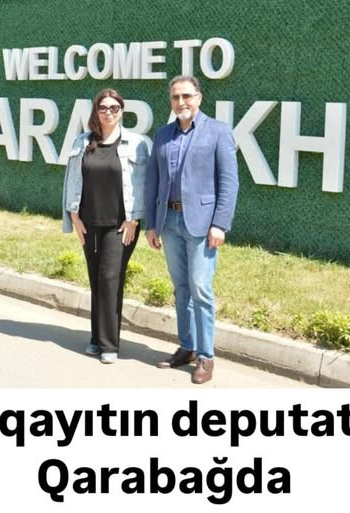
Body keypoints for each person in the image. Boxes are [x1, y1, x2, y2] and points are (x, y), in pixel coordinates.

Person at [145, 76, 239, 384]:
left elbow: (229, 183)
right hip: (169, 222)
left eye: (186, 96)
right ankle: (187, 346)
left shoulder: (218, 131)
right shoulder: (163, 134)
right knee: (181, 288)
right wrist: (152, 224)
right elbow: (153, 181)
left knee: (200, 288)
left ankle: (205, 356)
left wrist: (220, 224)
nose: (181, 102)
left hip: (201, 224)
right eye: (175, 97)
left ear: (199, 97)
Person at [62, 89, 149, 364]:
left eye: (114, 107)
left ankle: (109, 344)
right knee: (95, 280)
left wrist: (134, 219)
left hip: (120, 225)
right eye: (103, 107)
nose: (108, 112)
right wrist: (74, 217)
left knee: (110, 279)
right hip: (88, 223)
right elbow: (71, 179)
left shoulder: (136, 144)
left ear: (122, 110)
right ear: (96, 111)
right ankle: (96, 338)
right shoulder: (82, 141)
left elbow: (143, 184)